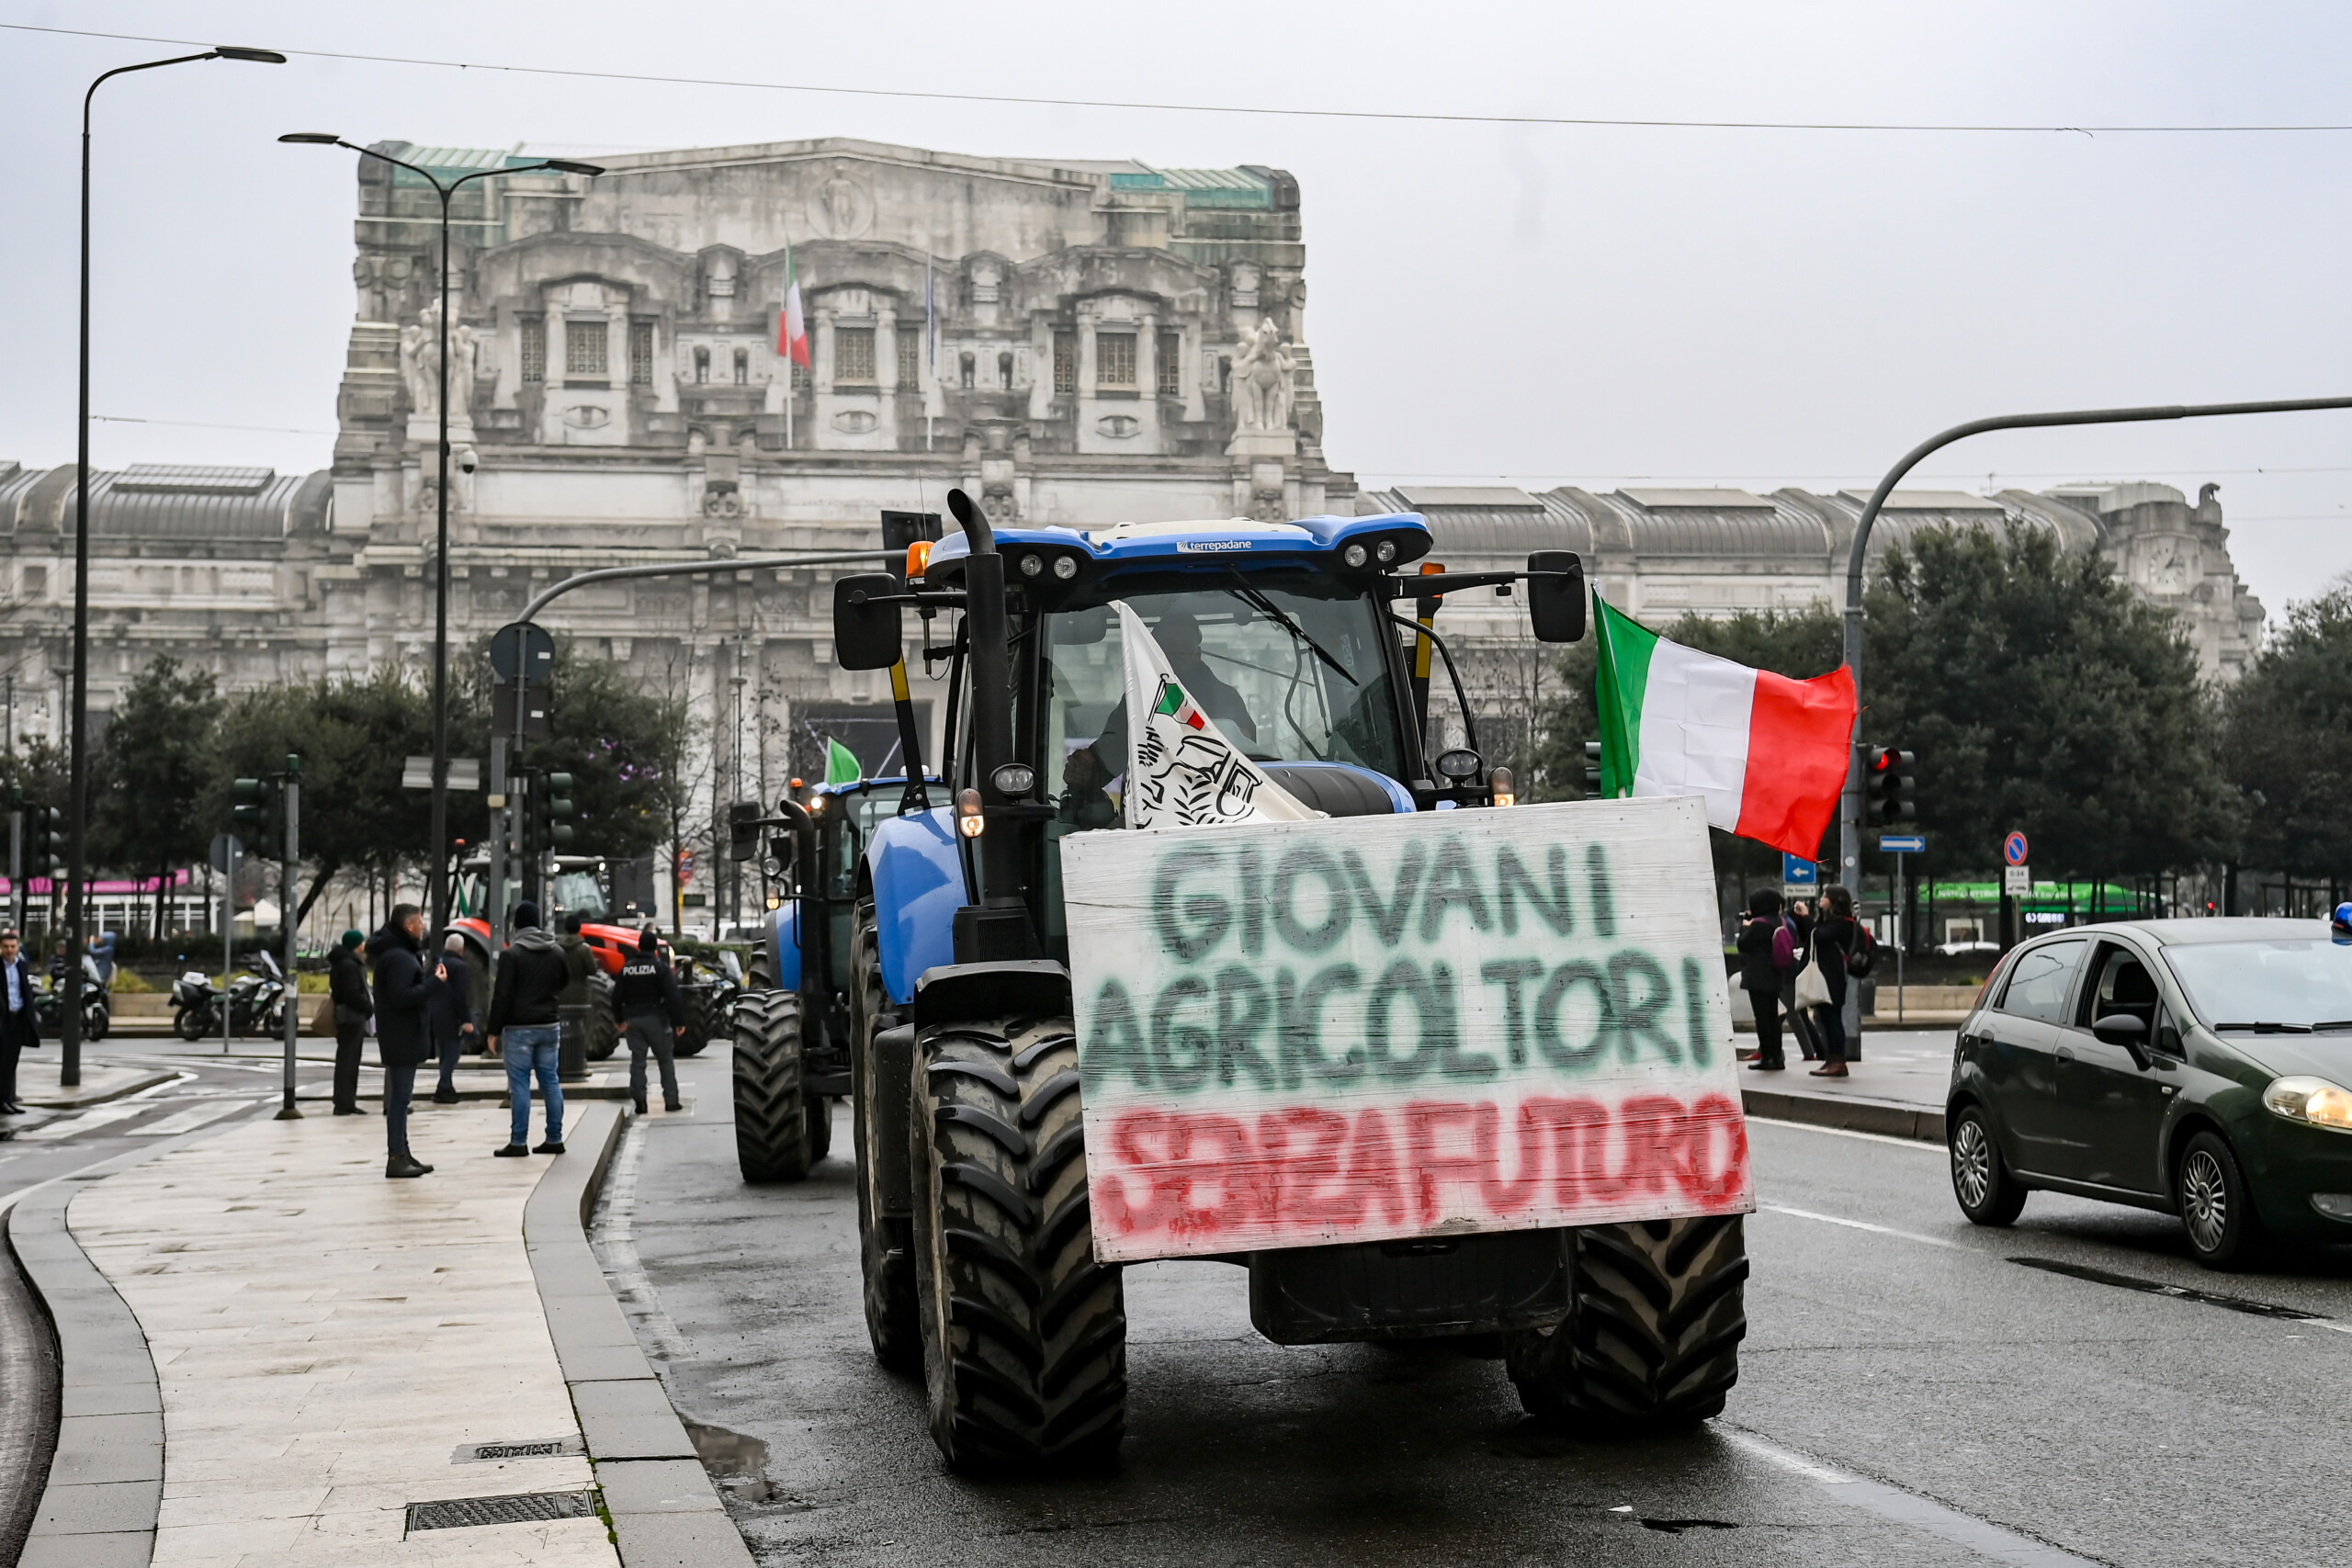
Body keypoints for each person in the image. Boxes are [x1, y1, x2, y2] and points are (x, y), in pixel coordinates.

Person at [487, 900, 569, 1156]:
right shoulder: (556, 951)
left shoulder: (513, 955)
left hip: (519, 1027)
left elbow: (502, 995)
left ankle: (519, 1141)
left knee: (520, 1084)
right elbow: (564, 980)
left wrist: (493, 1030)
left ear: (516, 924)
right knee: (551, 1081)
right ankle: (554, 1138)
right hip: (549, 1025)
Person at [365, 905, 439, 1179]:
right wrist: (434, 983)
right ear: (409, 926)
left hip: (402, 1035)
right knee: (399, 1100)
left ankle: (403, 1152)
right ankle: (396, 1156)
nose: (423, 926)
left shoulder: (398, 953)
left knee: (401, 1098)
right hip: (402, 1036)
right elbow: (402, 996)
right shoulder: (398, 957)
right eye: (421, 921)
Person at [613, 927, 685, 1115]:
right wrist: (679, 1021)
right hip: (656, 1019)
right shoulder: (660, 967)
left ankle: (640, 1102)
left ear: (638, 946)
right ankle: (671, 1101)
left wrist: (619, 1019)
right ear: (654, 948)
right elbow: (673, 995)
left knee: (638, 1061)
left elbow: (616, 996)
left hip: (633, 1020)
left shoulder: (627, 968)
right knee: (665, 1060)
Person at [1806, 884, 1862, 1078]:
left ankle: (1839, 1060)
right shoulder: (1830, 921)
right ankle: (1831, 1059)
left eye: (1825, 896)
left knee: (1833, 1019)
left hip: (1834, 977)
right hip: (1826, 976)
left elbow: (1820, 937)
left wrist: (1807, 919)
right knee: (1825, 1019)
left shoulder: (1843, 923)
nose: (1821, 899)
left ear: (1835, 900)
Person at [1735, 889, 1788, 1072]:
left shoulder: (1759, 925)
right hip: (1774, 974)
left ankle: (1767, 1058)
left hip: (1758, 976)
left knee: (1762, 1019)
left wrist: (1745, 927)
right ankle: (1777, 1056)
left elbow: (1742, 944)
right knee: (1773, 1018)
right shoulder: (1779, 921)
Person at [326, 929, 372, 1115]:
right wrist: (368, 1008)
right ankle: (345, 1103)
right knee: (349, 1061)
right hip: (351, 1016)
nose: (364, 945)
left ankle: (345, 1101)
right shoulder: (350, 965)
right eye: (361, 942)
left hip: (345, 1015)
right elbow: (352, 993)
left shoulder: (341, 963)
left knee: (347, 1060)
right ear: (356, 945)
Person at [428, 932, 477, 1103]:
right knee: (452, 1055)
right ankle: (443, 1087)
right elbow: (460, 996)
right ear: (461, 949)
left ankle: (447, 1087)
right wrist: (466, 1020)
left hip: (435, 1016)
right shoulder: (460, 967)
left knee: (444, 1053)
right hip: (452, 1018)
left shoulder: (436, 964)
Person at [0, 930, 37, 1116]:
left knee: (11, 1062)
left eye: (12, 947)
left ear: (18, 947)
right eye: (5, 947)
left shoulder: (21, 966)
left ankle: (7, 1099)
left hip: (17, 1018)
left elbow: (25, 991)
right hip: (2, 1020)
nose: (9, 950)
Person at [556, 911, 596, 1075]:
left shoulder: (557, 948)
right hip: (580, 995)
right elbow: (592, 970)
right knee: (580, 1029)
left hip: (561, 993)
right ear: (579, 929)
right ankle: (580, 1062)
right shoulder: (584, 949)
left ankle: (562, 1062)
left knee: (561, 1029)